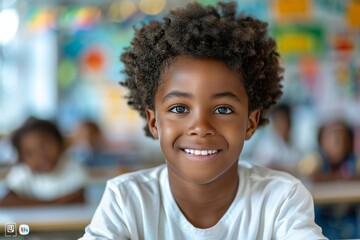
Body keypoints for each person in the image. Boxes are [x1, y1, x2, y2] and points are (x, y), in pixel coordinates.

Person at [80, 2, 326, 239]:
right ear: (154, 123)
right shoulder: (126, 199)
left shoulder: (280, 198)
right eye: (179, 108)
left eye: (223, 110)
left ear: (250, 123)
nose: (200, 127)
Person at [0, 117, 88, 206]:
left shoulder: (71, 167)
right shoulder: (22, 171)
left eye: (44, 146)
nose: (40, 156)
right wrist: (53, 204)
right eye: (29, 153)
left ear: (60, 143)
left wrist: (33, 203)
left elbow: (78, 199)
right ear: (22, 159)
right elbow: (6, 201)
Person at [301, 118, 360, 238]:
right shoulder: (315, 160)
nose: (339, 142)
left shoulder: (354, 162)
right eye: (332, 138)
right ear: (321, 142)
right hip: (322, 222)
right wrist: (343, 178)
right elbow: (309, 175)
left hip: (350, 223)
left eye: (344, 138)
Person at [252, 103, 302, 174]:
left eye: (284, 120)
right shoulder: (266, 145)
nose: (282, 125)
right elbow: (265, 167)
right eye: (278, 121)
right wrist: (291, 170)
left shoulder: (293, 147)